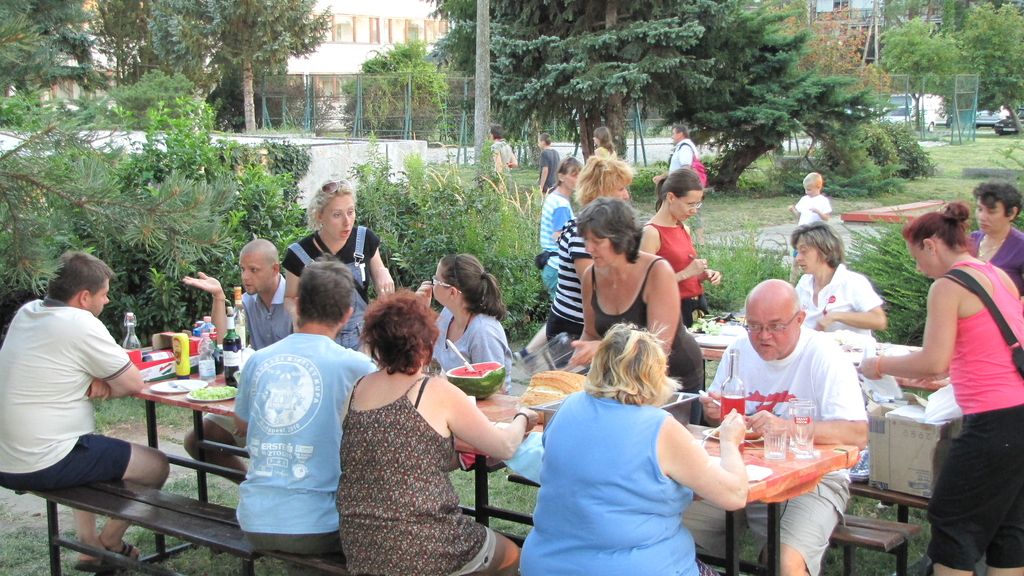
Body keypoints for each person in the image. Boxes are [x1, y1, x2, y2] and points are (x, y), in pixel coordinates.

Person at [859, 202, 1024, 576]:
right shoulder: (997, 275)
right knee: (1008, 527)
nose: (919, 269)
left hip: (993, 421)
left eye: (917, 258)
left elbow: (933, 361)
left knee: (953, 521)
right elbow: (986, 347)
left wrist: (879, 365)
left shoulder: (948, 286)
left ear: (931, 246)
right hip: (1019, 410)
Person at [337, 290, 538, 576]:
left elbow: (395, 458)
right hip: (426, 546)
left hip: (361, 547)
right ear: (426, 342)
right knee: (512, 554)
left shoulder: (356, 390)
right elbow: (504, 447)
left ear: (375, 343)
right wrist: (522, 417)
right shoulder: (434, 390)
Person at [521, 324, 748, 576]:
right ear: (656, 373)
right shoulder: (660, 427)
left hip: (545, 563)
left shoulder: (567, 406)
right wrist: (729, 441)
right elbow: (735, 496)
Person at [0, 252, 170, 573]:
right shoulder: (79, 322)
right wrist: (107, 384)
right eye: (104, 294)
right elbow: (132, 382)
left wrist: (98, 377)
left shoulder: (28, 312)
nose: (106, 301)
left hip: (7, 456)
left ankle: (88, 548)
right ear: (84, 297)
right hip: (41, 461)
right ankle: (111, 542)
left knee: (87, 444)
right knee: (156, 465)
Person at [687, 279, 868, 576]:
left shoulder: (825, 355)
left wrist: (787, 427)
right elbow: (723, 424)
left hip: (809, 480)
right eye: (754, 326)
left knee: (785, 565)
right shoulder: (739, 349)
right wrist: (715, 413)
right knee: (663, 529)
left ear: (800, 319)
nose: (763, 336)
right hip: (737, 471)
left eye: (775, 326)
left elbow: (857, 434)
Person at [234, 259, 376, 572]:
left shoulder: (257, 360)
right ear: (347, 314)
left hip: (254, 520)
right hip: (322, 524)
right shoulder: (357, 367)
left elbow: (242, 424)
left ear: (296, 306)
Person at [568, 197, 705, 422]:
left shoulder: (657, 271)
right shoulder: (590, 276)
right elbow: (591, 333)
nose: (588, 249)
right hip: (624, 383)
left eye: (597, 241)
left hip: (672, 379)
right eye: (586, 240)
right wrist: (570, 369)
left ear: (621, 239)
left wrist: (603, 349)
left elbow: (657, 349)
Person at [181, 238, 294, 477]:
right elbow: (225, 341)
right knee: (198, 440)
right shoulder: (248, 301)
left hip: (289, 397)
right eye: (243, 269)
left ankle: (267, 489)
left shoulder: (294, 299)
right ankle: (249, 486)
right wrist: (218, 297)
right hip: (257, 391)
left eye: (253, 270)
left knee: (272, 450)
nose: (245, 277)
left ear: (275, 269)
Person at [282, 179, 394, 350]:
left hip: (362, 340)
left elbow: (379, 270)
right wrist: (295, 313)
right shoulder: (299, 254)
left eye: (350, 212)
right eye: (337, 215)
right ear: (319, 216)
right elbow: (289, 298)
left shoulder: (365, 239)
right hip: (320, 343)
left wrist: (382, 271)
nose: (347, 222)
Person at [547, 155, 633, 340]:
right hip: (576, 329)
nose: (626, 195)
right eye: (621, 189)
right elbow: (596, 287)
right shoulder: (583, 233)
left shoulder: (604, 229)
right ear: (601, 191)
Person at [515, 158, 584, 361]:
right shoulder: (561, 204)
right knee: (562, 317)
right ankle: (548, 358)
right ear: (561, 176)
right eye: (573, 175)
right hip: (556, 266)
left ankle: (527, 354)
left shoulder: (555, 198)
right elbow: (558, 237)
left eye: (580, 174)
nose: (578, 179)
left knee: (559, 315)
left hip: (551, 264)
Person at [417, 254, 512, 391]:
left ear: (452, 293)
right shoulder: (448, 313)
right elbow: (425, 350)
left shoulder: (483, 332)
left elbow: (497, 390)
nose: (431, 283)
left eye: (436, 280)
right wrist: (420, 313)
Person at [641, 168, 722, 328]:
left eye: (697, 204)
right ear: (671, 198)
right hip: (669, 311)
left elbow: (683, 274)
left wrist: (702, 275)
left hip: (695, 306)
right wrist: (687, 272)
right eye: (690, 204)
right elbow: (644, 284)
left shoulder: (683, 228)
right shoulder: (651, 232)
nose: (694, 210)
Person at [791, 222, 887, 336]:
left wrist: (835, 316)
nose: (798, 258)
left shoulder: (852, 281)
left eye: (804, 251)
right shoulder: (804, 283)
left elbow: (879, 320)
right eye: (797, 252)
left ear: (826, 251)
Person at [969, 180, 1024, 296]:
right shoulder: (972, 239)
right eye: (980, 209)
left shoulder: (1021, 247)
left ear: (1012, 213)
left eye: (992, 212)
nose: (982, 217)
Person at [653, 125, 706, 244]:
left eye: (673, 133)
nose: (672, 137)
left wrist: (675, 180)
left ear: (680, 134)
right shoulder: (683, 146)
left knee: (691, 211)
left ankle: (700, 241)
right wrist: (663, 177)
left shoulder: (685, 147)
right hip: (682, 185)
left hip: (684, 187)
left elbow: (685, 167)